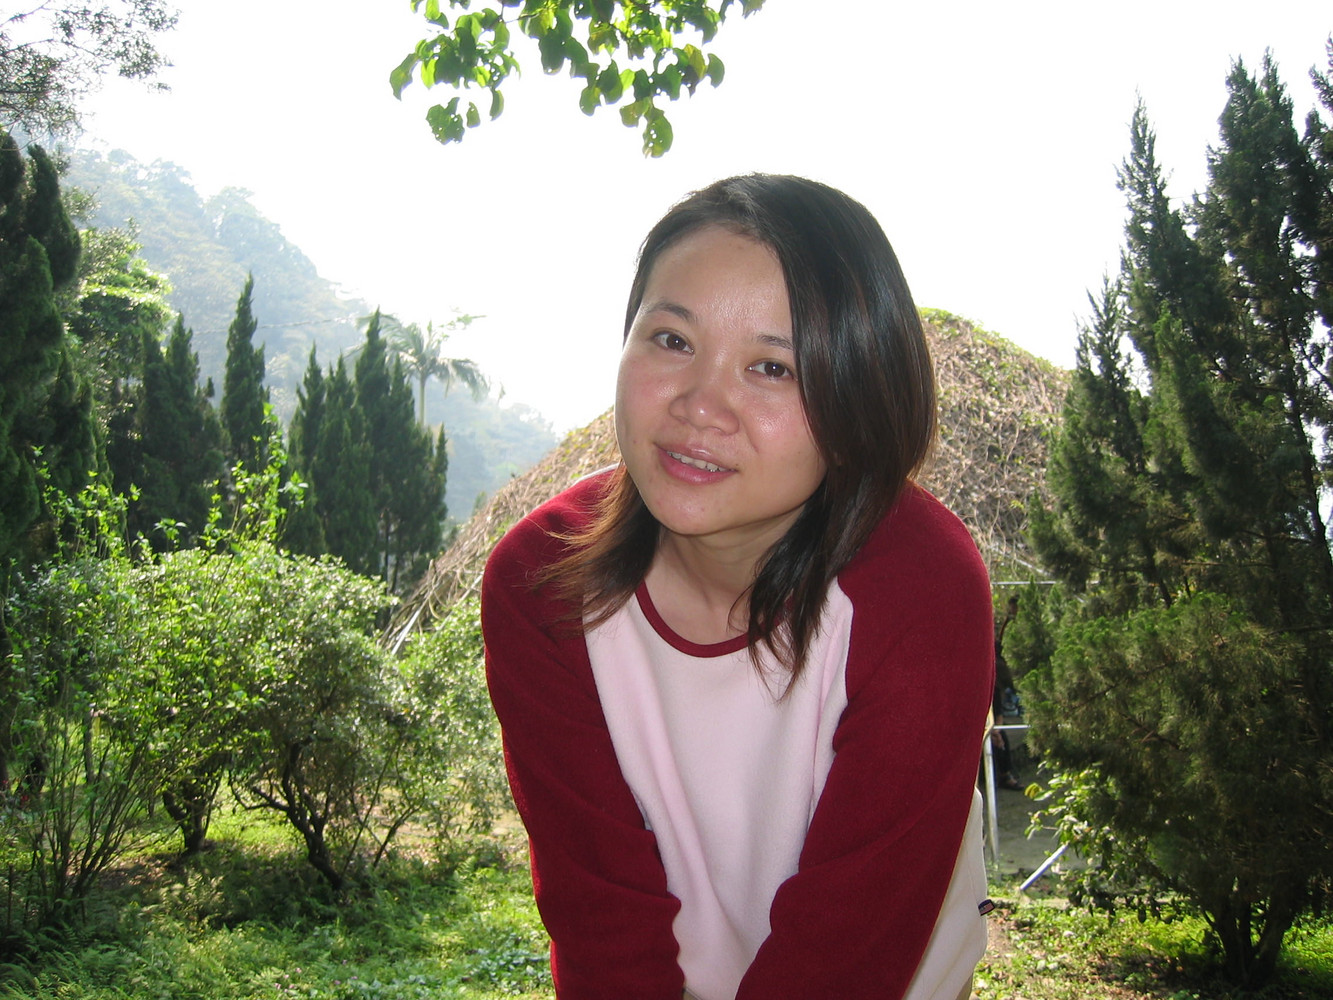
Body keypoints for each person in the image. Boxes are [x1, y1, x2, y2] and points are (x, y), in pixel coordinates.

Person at [481, 174, 995, 1000]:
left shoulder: (920, 591)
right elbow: (600, 916)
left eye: (771, 367)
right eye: (671, 340)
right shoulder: (542, 583)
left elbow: (847, 950)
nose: (700, 406)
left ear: (858, 397)